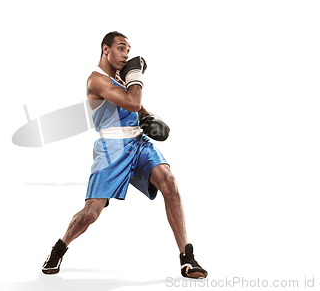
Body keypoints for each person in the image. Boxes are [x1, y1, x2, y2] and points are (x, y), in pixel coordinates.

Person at [42, 31, 207, 279]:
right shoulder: (96, 80)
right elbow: (131, 101)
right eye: (121, 48)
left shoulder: (122, 78)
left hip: (137, 143)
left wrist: (150, 119)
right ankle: (59, 248)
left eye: (128, 50)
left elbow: (137, 108)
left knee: (169, 181)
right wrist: (135, 76)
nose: (126, 55)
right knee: (91, 213)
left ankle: (187, 258)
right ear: (105, 49)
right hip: (111, 149)